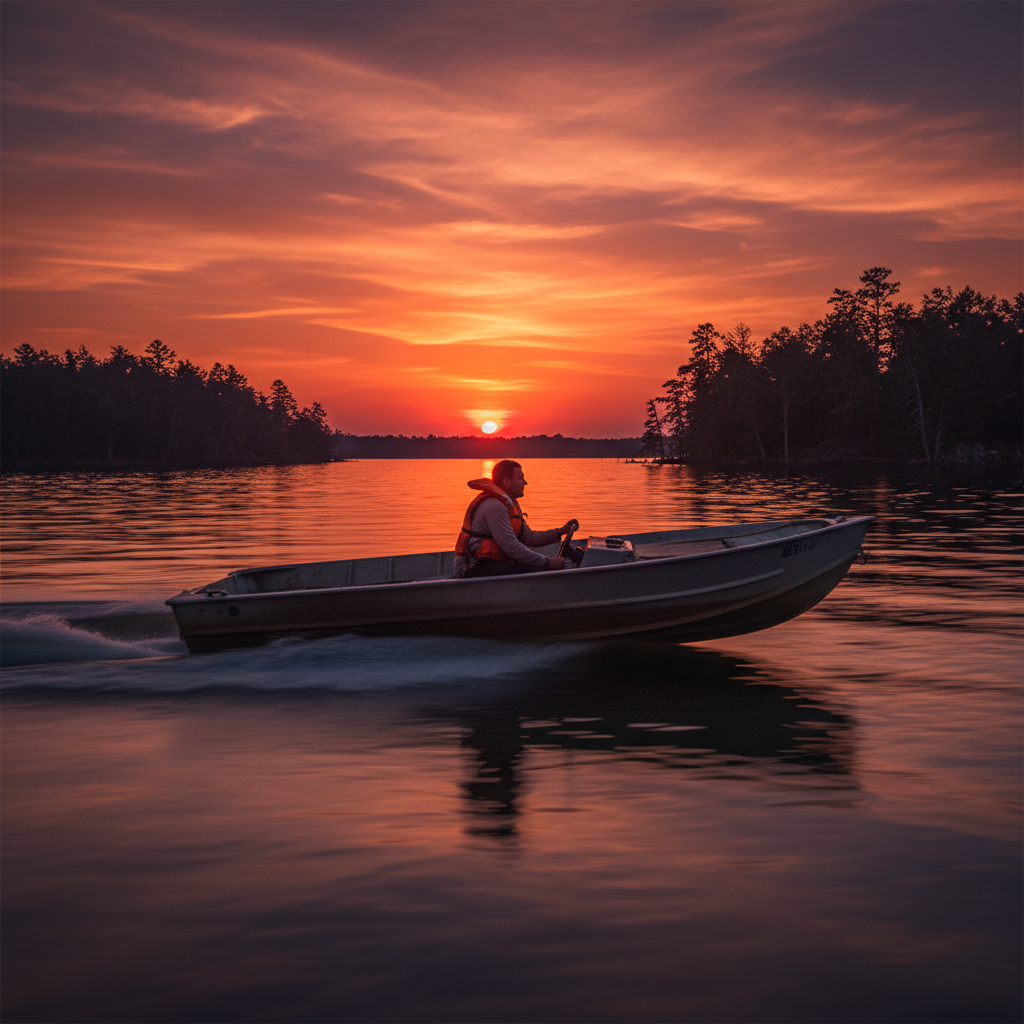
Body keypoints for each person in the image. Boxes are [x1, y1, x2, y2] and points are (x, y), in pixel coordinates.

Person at [454, 459, 581, 578]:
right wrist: (547, 563)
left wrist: (559, 532)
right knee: (540, 571)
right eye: (520, 478)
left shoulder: (509, 504)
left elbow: (528, 537)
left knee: (536, 565)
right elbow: (511, 547)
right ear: (507, 482)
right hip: (473, 567)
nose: (525, 483)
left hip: (490, 563)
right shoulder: (495, 507)